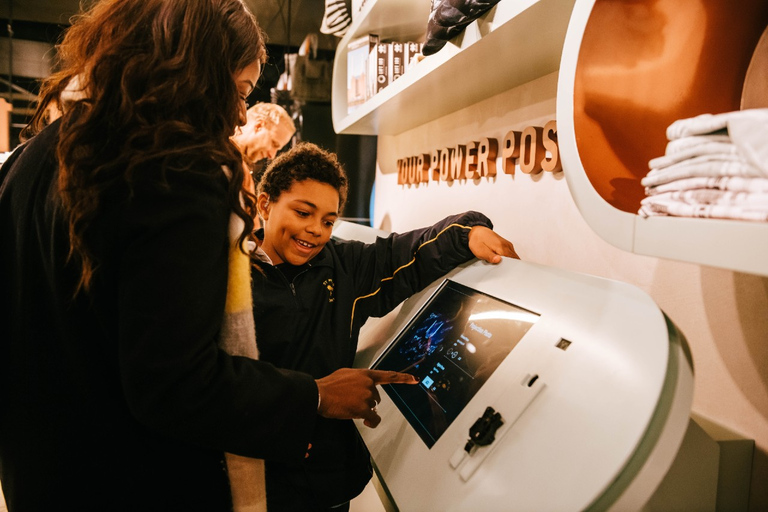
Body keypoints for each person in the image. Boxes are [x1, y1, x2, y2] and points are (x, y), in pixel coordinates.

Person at [0, 1, 414, 511]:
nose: (241, 114)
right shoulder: (172, 174)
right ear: (195, 70)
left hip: (42, 473)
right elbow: (175, 382)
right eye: (240, 91)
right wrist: (316, 396)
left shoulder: (32, 157)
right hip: (129, 480)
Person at [251, 142, 519, 511]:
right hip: (254, 474)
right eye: (303, 212)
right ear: (265, 204)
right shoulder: (229, 275)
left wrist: (468, 233)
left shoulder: (343, 265)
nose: (315, 230)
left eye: (328, 221)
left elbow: (409, 252)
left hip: (325, 482)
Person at [232, 102, 296, 193]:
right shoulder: (218, 157)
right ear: (259, 126)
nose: (272, 155)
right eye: (274, 144)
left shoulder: (240, 168)